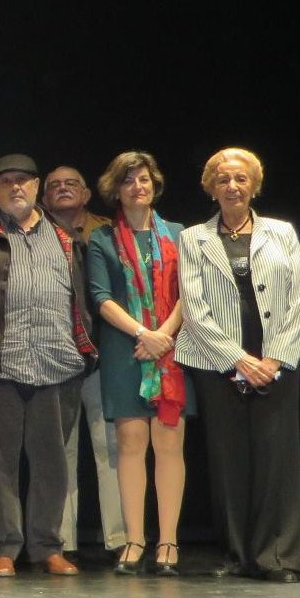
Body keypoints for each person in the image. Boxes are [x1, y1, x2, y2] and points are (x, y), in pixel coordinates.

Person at [0, 154, 94, 578]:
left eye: (23, 181)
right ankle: (2, 547)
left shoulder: (65, 234)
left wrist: (84, 348)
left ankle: (47, 546)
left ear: (37, 186)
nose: (16, 188)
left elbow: (83, 296)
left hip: (58, 361)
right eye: (6, 182)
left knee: (51, 461)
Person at [179, 148, 300, 582]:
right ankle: (235, 554)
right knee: (227, 459)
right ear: (211, 188)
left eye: (240, 179)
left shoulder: (282, 232)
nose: (232, 186)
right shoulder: (193, 238)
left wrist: (272, 358)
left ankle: (277, 557)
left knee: (277, 459)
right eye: (223, 179)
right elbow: (195, 310)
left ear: (254, 185)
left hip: (277, 359)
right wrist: (237, 359)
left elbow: (299, 299)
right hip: (219, 361)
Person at [84, 152, 193, 575]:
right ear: (116, 188)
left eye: (144, 179)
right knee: (130, 447)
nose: (137, 187)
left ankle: (168, 542)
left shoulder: (181, 235)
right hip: (125, 350)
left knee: (169, 446)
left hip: (172, 351)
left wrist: (163, 334)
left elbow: (191, 293)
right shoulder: (102, 238)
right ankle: (134, 540)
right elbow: (101, 297)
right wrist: (143, 335)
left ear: (154, 184)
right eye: (128, 181)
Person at [44, 165, 125, 558]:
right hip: (55, 355)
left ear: (88, 192)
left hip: (105, 352)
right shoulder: (35, 234)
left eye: (70, 183)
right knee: (62, 450)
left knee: (109, 445)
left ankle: (121, 540)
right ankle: (61, 543)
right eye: (54, 185)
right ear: (44, 197)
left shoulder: (109, 232)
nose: (62, 189)